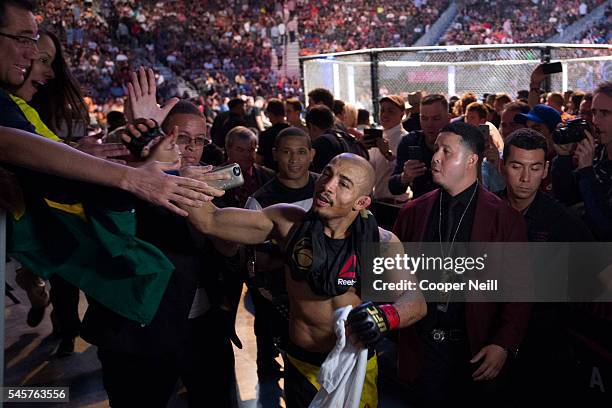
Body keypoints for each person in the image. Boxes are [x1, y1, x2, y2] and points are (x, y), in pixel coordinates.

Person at [187, 153, 427, 407]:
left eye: (343, 183)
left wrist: (384, 316)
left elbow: (415, 299)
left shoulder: (381, 242)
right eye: (327, 173)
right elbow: (209, 220)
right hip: (302, 364)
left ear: (361, 202)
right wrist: (184, 173)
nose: (327, 185)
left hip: (355, 362)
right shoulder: (288, 223)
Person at [81, 100, 237, 408]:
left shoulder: (214, 183)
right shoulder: (123, 180)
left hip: (202, 329)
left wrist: (224, 233)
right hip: (138, 336)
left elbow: (225, 251)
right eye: (181, 138)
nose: (191, 148)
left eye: (199, 140)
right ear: (160, 138)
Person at [393, 122, 531, 406]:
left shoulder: (504, 218)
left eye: (447, 151)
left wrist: (503, 343)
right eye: (436, 150)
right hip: (420, 346)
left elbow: (519, 291)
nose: (435, 157)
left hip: (474, 349)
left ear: (471, 160)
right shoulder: (412, 212)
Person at [496, 128, 594, 405]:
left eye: (535, 168)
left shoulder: (563, 222)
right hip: (486, 334)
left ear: (545, 169)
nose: (526, 178)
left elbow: (594, 279)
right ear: (503, 166)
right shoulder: (484, 209)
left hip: (542, 343)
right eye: (517, 166)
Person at [245, 127, 317, 379]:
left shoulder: (327, 190)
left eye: (300, 152)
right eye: (287, 152)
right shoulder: (260, 201)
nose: (294, 159)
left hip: (325, 295)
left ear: (312, 154)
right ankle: (267, 361)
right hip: (281, 295)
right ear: (275, 154)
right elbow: (260, 259)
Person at [551, 81, 612, 240]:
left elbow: (606, 226)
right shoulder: (598, 153)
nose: (596, 121)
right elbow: (566, 198)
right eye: (594, 112)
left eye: (604, 113)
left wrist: (587, 172)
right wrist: (563, 158)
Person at [389, 94, 451, 198]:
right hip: (421, 208)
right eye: (424, 118)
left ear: (448, 118)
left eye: (436, 118)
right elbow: (393, 187)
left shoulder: (460, 144)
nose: (429, 124)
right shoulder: (410, 142)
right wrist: (405, 177)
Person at [257, 98, 290, 171]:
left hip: (271, 176)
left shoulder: (266, 135)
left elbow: (259, 160)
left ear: (270, 114)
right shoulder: (293, 132)